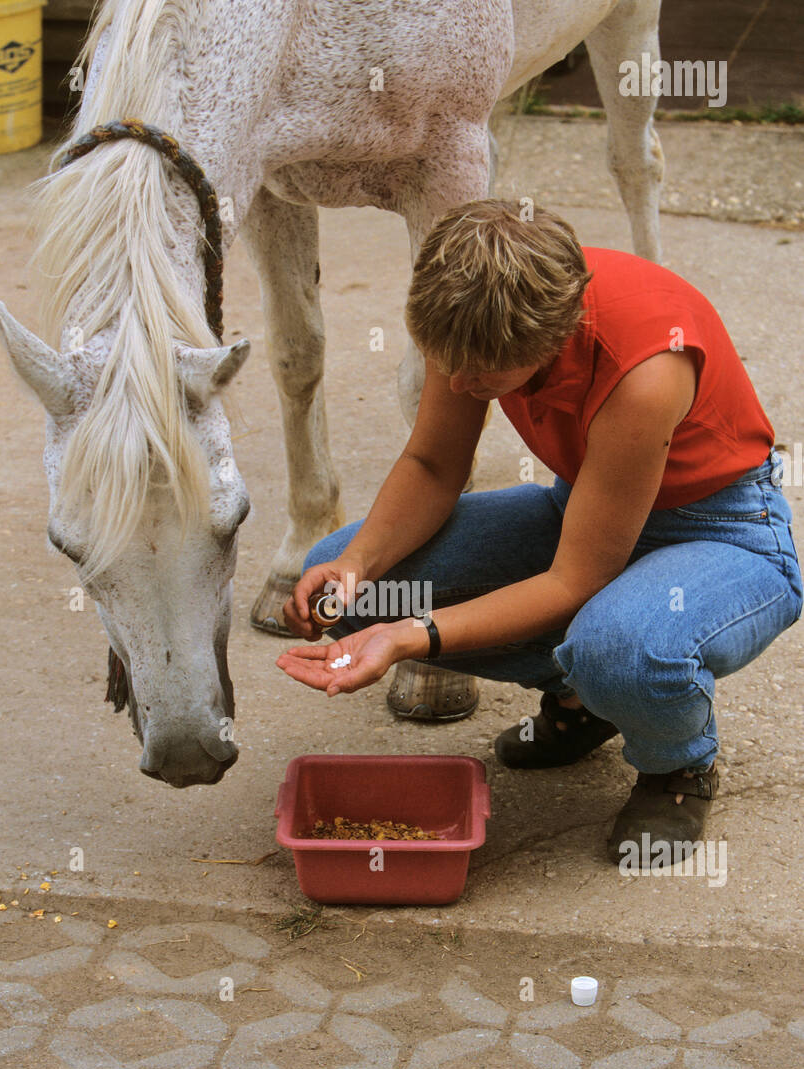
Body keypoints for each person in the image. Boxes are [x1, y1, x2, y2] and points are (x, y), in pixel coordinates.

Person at [275, 201, 801, 862]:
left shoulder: (644, 370)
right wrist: (354, 564)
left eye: (483, 378)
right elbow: (433, 465)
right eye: (447, 364)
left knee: (621, 645)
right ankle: (582, 698)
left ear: (555, 337)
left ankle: (677, 766)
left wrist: (410, 636)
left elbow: (575, 578)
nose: (460, 384)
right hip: (583, 506)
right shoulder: (465, 316)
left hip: (722, 533)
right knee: (358, 591)